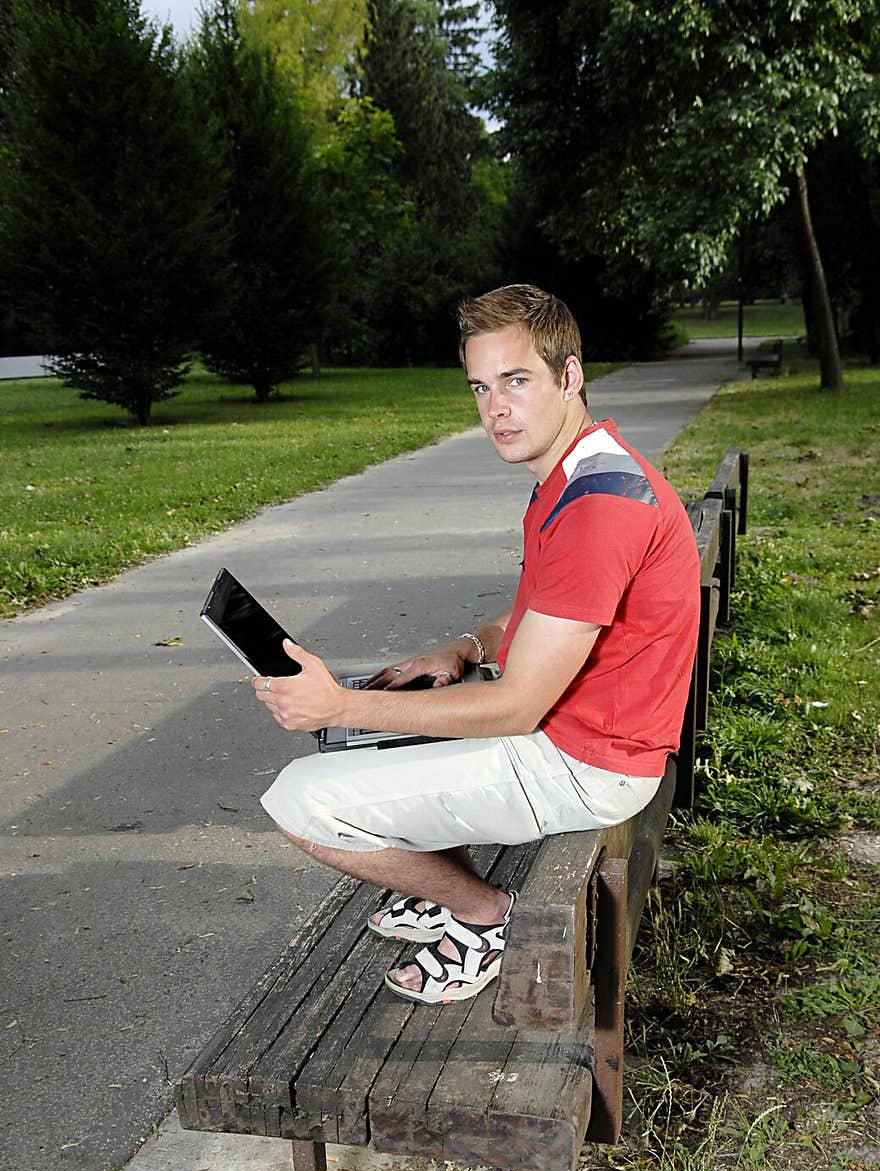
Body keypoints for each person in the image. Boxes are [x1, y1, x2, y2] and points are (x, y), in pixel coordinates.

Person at [253, 284, 701, 1006]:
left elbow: (518, 705)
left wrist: (341, 703)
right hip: (579, 733)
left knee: (300, 802)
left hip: (589, 762)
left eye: (516, 381)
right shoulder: (577, 472)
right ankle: (442, 890)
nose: (496, 407)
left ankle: (486, 915)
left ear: (569, 376)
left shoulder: (599, 507)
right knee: (380, 729)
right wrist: (465, 645)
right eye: (481, 386)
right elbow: (548, 608)